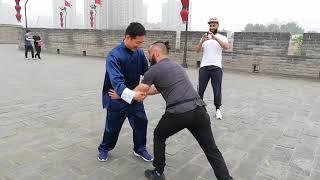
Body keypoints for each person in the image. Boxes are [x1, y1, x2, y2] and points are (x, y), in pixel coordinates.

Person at [109, 41, 233, 180]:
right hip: (199, 110)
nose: (148, 57)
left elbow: (140, 92)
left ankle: (158, 172)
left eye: (149, 54)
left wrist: (120, 94)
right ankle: (226, 178)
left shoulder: (153, 70)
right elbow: (158, 88)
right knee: (211, 149)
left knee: (159, 135)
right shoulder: (177, 66)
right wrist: (142, 92)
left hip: (178, 113)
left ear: (155, 53)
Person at [98, 22, 153, 162]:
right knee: (112, 127)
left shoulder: (139, 53)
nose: (139, 46)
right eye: (137, 42)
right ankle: (104, 148)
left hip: (134, 98)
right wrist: (134, 95)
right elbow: (116, 82)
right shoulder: (114, 56)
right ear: (127, 37)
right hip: (116, 98)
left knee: (141, 122)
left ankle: (140, 148)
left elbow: (146, 73)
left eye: (141, 43)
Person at [196, 17, 230, 120]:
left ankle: (218, 109)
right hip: (204, 67)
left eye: (214, 25)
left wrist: (215, 38)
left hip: (216, 67)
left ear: (217, 26)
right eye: (210, 25)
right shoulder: (205, 38)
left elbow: (226, 47)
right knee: (200, 89)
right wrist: (202, 40)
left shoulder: (222, 37)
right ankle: (199, 109)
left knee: (217, 89)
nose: (212, 26)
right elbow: (197, 50)